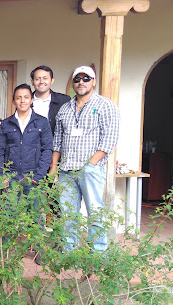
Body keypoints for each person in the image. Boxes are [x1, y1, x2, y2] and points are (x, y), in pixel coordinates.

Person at [51, 66, 120, 252]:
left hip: (90, 170)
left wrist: (91, 164)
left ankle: (97, 253)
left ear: (94, 82)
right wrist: (53, 168)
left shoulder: (106, 106)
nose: (81, 82)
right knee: (67, 215)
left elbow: (109, 139)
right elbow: (57, 141)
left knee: (95, 213)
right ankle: (69, 251)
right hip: (66, 171)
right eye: (77, 79)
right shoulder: (64, 109)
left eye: (86, 78)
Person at [0, 84, 52, 194]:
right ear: (14, 101)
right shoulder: (6, 124)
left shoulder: (42, 122)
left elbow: (47, 149)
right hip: (10, 177)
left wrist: (40, 174)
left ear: (32, 100)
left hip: (33, 177)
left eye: (26, 97)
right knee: (8, 210)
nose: (22, 101)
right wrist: (1, 175)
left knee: (33, 211)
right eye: (18, 98)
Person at [30, 65, 71, 136]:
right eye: (37, 79)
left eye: (45, 78)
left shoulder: (64, 101)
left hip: (54, 144)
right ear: (32, 82)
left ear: (52, 81)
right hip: (30, 145)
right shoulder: (25, 101)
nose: (41, 82)